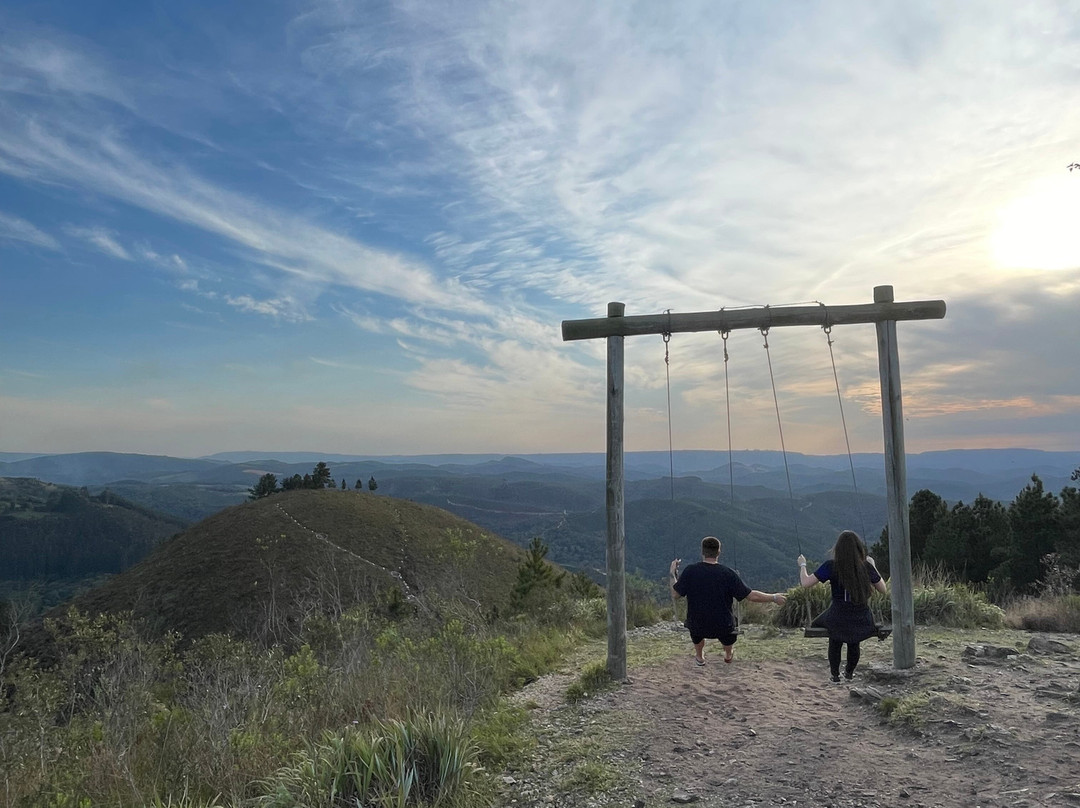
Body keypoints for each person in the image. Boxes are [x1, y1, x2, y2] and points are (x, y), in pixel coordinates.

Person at [670, 536, 788, 666]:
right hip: (723, 626)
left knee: (696, 631)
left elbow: (675, 594)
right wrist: (774, 597)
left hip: (697, 625)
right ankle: (728, 653)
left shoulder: (690, 571)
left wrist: (672, 574)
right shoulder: (728, 573)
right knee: (730, 631)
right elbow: (751, 595)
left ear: (702, 552)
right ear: (719, 552)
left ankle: (699, 656)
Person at [798, 530, 888, 683]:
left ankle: (835, 675)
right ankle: (849, 673)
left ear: (838, 549)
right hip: (862, 618)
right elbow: (883, 589)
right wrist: (873, 566)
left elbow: (806, 583)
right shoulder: (865, 566)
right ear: (859, 549)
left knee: (833, 635)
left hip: (837, 616)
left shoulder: (831, 566)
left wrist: (803, 565)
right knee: (854, 641)